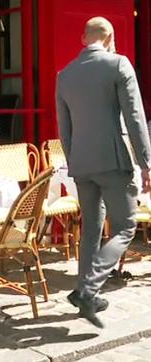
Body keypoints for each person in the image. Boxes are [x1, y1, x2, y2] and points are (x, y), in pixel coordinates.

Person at [56, 16, 151, 328]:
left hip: (81, 164)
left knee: (91, 231)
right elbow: (135, 118)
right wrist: (146, 162)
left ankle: (86, 296)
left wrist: (75, 161)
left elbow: (64, 131)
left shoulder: (64, 75)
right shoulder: (119, 64)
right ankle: (87, 289)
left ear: (84, 39)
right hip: (113, 161)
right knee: (125, 227)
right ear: (110, 37)